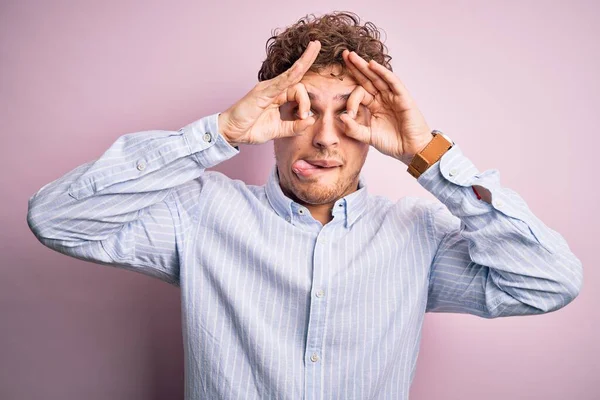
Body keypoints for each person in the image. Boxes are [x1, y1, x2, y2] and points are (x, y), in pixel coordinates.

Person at [27, 11, 582, 400]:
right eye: (302, 109)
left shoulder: (421, 236)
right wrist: (221, 133)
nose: (324, 138)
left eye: (348, 114)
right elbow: (57, 219)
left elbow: (550, 282)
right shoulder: (198, 215)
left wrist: (427, 154)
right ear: (270, 114)